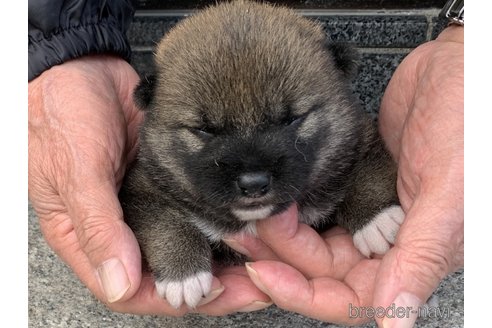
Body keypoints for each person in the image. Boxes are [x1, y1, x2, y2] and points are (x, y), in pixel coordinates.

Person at [28, 0, 463, 326]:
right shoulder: (157, 165)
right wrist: (56, 57)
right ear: (149, 102)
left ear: (338, 71)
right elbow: (144, 201)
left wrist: (469, 42)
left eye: (291, 120)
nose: (253, 175)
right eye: (205, 131)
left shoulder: (349, 139)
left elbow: (369, 153)